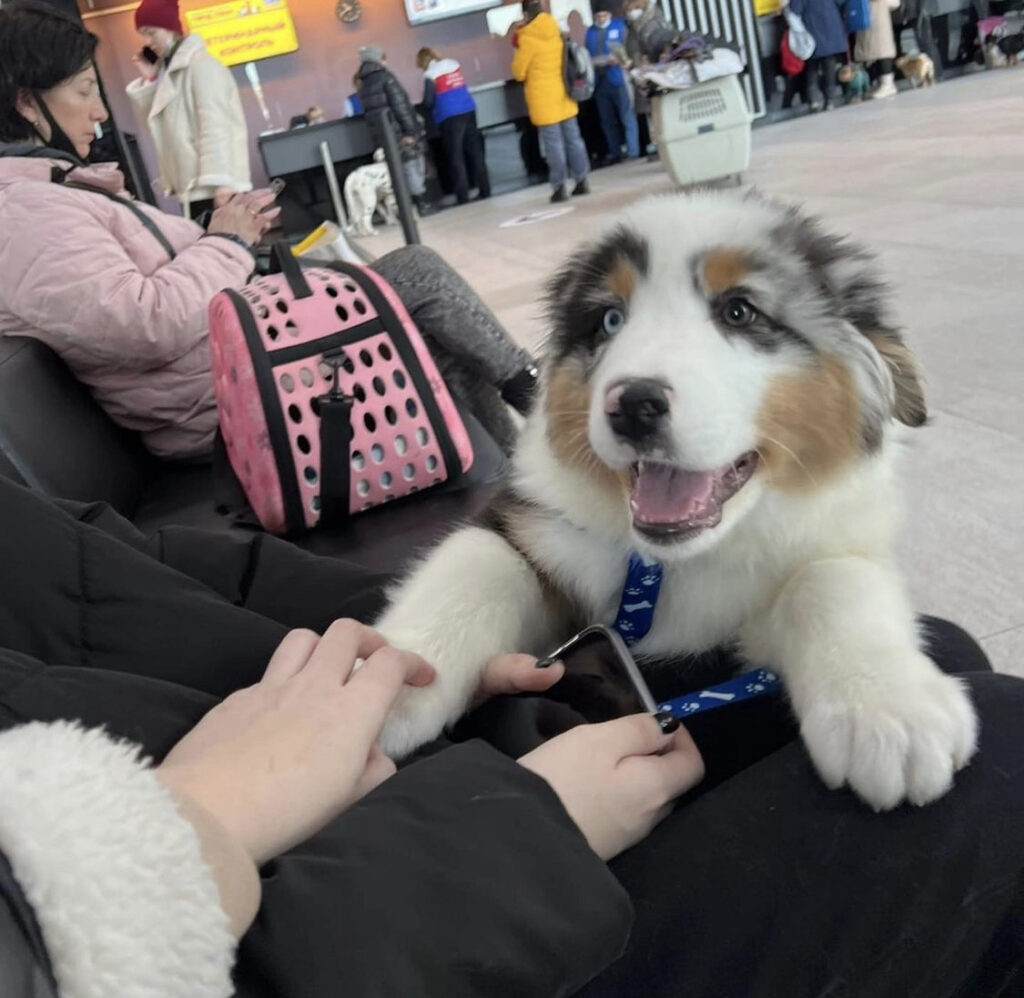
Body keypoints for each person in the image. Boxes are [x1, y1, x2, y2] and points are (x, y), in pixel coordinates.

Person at [1, 476, 1023, 997]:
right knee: (1000, 758)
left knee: (911, 664)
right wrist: (519, 824)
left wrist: (445, 639)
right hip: (395, 904)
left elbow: (138, 566)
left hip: (362, 790)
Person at [0, 4, 534, 459]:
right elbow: (141, 321)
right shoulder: (29, 211)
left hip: (238, 369)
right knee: (416, 275)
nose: (98, 111)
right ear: (27, 102)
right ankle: (537, 413)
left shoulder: (47, 192)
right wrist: (226, 243)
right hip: (231, 398)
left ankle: (522, 471)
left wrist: (221, 231)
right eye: (85, 90)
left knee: (429, 330)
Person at [126, 0, 250, 221]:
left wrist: (221, 183)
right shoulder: (172, 72)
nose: (147, 41)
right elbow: (154, 127)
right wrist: (151, 79)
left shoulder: (200, 65)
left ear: (171, 28)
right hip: (195, 188)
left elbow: (216, 125)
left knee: (228, 253)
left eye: (151, 32)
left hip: (214, 187)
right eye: (143, 34)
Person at [511, 0, 591, 203]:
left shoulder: (528, 38)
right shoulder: (555, 31)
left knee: (553, 144)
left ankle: (559, 187)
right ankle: (582, 180)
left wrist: (520, 35)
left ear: (526, 15)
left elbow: (519, 73)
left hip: (543, 98)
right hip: (564, 92)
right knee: (573, 139)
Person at [355, 45, 436, 217]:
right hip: (400, 132)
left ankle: (406, 209)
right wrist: (411, 131)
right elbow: (401, 107)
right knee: (411, 165)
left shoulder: (363, 84)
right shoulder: (386, 78)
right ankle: (422, 205)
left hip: (384, 135)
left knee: (397, 171)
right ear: (378, 59)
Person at [416, 47, 490, 205]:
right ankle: (485, 190)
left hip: (449, 115)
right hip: (468, 109)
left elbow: (428, 102)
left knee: (456, 156)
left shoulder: (430, 74)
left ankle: (462, 195)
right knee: (475, 152)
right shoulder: (453, 64)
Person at [586, 1, 640, 163]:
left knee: (627, 116)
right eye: (598, 16)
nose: (602, 19)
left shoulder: (620, 26)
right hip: (600, 81)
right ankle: (615, 152)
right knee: (607, 120)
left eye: (604, 15)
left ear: (609, 14)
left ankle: (633, 151)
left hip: (619, 77)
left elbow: (629, 49)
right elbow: (588, 58)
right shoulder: (590, 33)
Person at [786, 0, 848, 110]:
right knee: (829, 66)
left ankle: (813, 101)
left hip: (812, 29)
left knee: (812, 68)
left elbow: (795, 9)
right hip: (831, 24)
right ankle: (829, 100)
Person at [855, 0, 903, 98]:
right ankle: (880, 82)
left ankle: (888, 83)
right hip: (867, 12)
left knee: (882, 49)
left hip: (878, 13)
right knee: (872, 51)